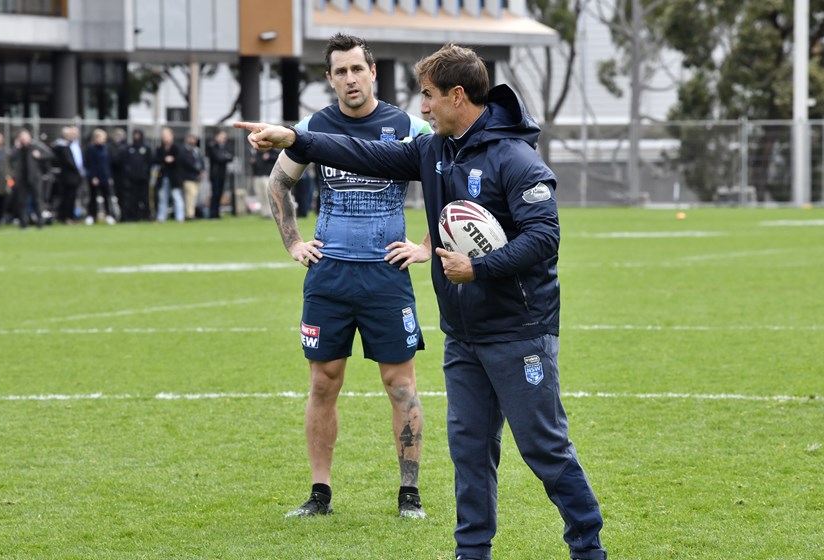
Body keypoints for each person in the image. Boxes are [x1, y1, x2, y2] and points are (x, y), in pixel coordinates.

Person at [236, 43, 607, 560]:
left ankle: (588, 548)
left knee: (543, 449)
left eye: (430, 97)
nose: (423, 108)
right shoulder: (434, 150)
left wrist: (479, 266)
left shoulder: (515, 158)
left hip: (520, 330)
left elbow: (544, 237)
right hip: (464, 335)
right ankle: (470, 552)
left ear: (458, 96)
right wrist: (297, 138)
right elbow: (362, 153)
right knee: (469, 453)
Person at [260, 33, 434, 520]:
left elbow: (450, 179)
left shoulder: (406, 127)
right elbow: (278, 182)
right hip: (329, 277)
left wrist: (424, 247)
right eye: (341, 71)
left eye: (358, 69)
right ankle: (320, 494)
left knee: (401, 385)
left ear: (372, 72)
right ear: (330, 78)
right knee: (323, 383)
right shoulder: (314, 127)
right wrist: (293, 240)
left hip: (386, 277)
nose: (351, 79)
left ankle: (409, 494)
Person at [9, 129, 51, 229]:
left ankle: (40, 223)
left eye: (25, 138)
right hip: (21, 179)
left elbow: (50, 155)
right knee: (22, 202)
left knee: (38, 200)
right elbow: (10, 158)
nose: (23, 140)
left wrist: (40, 156)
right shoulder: (18, 150)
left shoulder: (36, 147)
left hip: (35, 178)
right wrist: (16, 147)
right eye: (22, 138)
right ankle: (23, 223)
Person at [51, 125, 84, 224]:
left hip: (74, 176)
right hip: (68, 176)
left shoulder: (71, 145)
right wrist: (77, 170)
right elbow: (69, 161)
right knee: (67, 197)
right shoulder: (62, 147)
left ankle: (70, 216)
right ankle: (65, 217)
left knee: (72, 197)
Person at [83, 128, 116, 225]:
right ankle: (91, 216)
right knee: (93, 197)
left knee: (107, 197)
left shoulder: (106, 149)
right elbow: (90, 164)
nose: (104, 139)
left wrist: (109, 177)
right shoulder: (90, 149)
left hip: (105, 176)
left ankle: (109, 215)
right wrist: (93, 176)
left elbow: (107, 164)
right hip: (95, 177)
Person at [154, 127, 184, 223]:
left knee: (176, 196)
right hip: (163, 177)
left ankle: (180, 217)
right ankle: (161, 217)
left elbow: (180, 161)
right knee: (162, 197)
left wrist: (172, 160)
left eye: (166, 135)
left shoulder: (177, 148)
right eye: (163, 136)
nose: (164, 138)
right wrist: (165, 160)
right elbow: (156, 160)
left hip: (174, 177)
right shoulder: (160, 149)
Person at [124, 129, 153, 221]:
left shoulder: (146, 148)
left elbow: (150, 162)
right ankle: (134, 216)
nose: (136, 137)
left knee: (145, 197)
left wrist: (146, 173)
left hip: (143, 178)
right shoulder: (130, 148)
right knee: (133, 198)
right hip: (132, 178)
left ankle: (146, 215)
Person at [206, 130, 233, 219]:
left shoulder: (224, 147)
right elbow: (218, 158)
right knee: (215, 194)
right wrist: (225, 157)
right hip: (215, 174)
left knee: (220, 194)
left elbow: (230, 157)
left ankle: (217, 213)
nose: (224, 139)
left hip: (222, 174)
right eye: (222, 137)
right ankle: (212, 213)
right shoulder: (212, 146)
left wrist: (224, 157)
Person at [180, 133, 205, 220]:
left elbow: (202, 161)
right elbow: (187, 163)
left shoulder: (196, 150)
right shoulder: (184, 150)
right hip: (188, 177)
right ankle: (189, 215)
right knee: (190, 196)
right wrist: (197, 171)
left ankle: (191, 213)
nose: (192, 141)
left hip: (196, 178)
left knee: (193, 196)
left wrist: (202, 171)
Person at [109, 128, 131, 221]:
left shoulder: (125, 147)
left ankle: (126, 215)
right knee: (116, 196)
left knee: (125, 197)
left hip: (125, 176)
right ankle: (117, 215)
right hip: (115, 175)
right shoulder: (111, 147)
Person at [249, 147, 278, 218]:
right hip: (257, 175)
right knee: (260, 195)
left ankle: (271, 213)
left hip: (266, 175)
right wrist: (252, 162)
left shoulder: (270, 148)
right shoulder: (255, 151)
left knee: (268, 195)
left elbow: (277, 157)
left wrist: (269, 157)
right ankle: (264, 213)